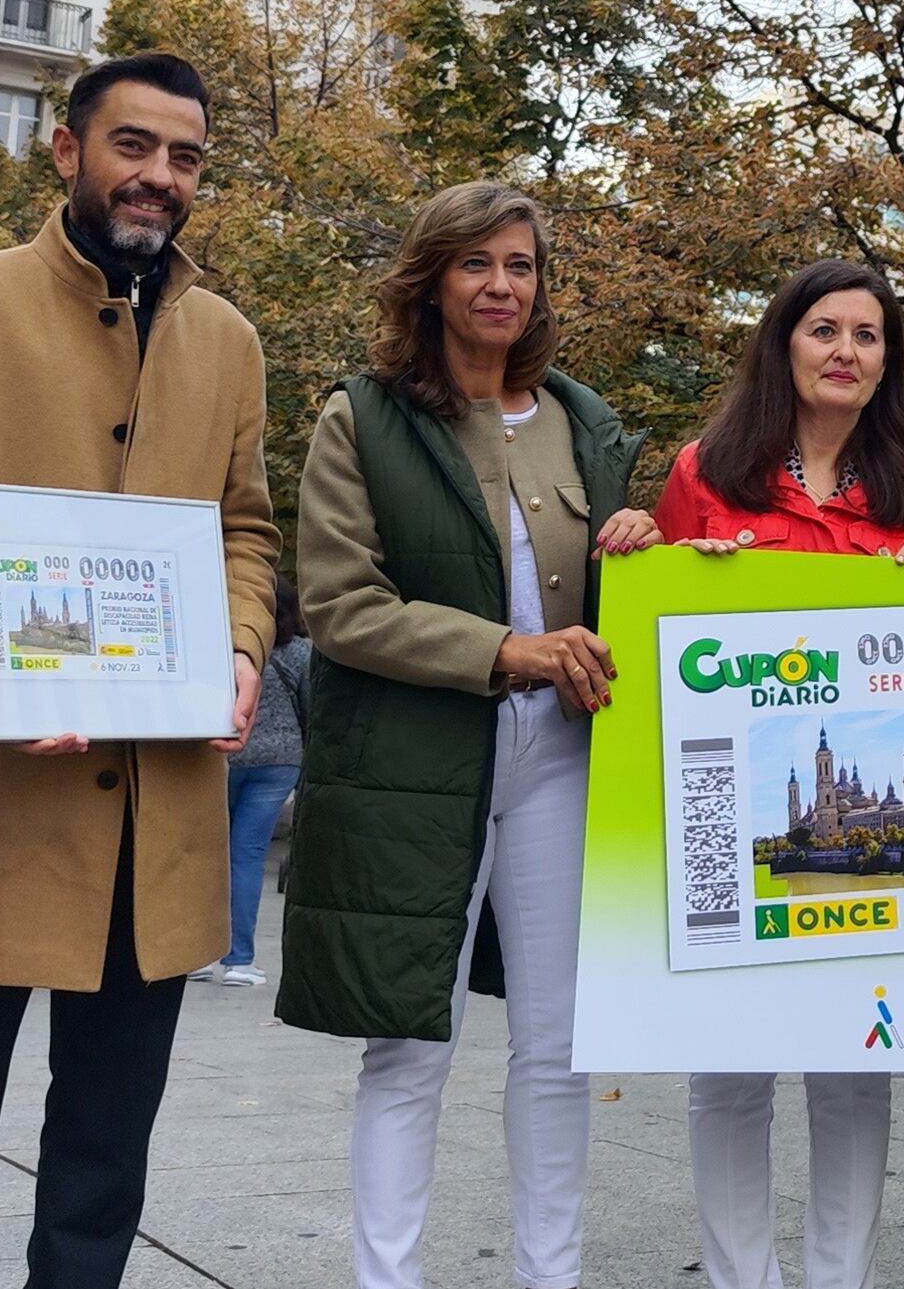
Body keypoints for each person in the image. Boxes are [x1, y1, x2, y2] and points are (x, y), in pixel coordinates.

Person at [0, 53, 279, 1289]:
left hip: (155, 810)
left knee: (104, 1155)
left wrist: (240, 646)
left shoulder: (230, 339)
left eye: (185, 156)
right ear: (67, 149)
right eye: (133, 144)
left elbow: (246, 526)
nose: (159, 175)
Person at [276, 182, 651, 1289]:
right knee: (409, 1041)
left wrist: (649, 544)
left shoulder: (585, 420)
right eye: (476, 262)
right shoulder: (364, 415)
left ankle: (552, 1274)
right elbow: (340, 604)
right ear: (430, 278)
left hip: (563, 757)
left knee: (559, 1043)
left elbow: (620, 593)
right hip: (416, 760)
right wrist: (507, 649)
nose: (500, 284)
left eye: (520, 264)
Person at [656, 259, 904, 1289]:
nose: (845, 351)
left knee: (855, 1066)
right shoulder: (706, 473)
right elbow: (653, 629)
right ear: (783, 343)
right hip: (726, 806)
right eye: (825, 329)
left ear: (886, 363)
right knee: (730, 1070)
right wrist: (636, 545)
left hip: (848, 870)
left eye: (867, 335)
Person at [211, 577, 309, 986]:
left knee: (208, 853)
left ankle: (199, 954)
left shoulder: (220, 650)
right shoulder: (300, 653)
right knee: (247, 856)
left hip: (222, 756)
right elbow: (311, 710)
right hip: (279, 763)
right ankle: (239, 961)